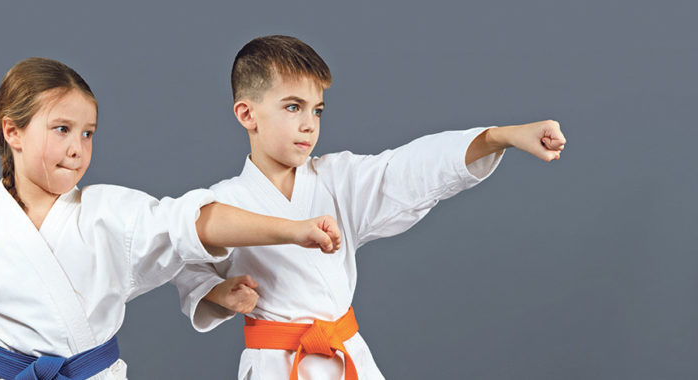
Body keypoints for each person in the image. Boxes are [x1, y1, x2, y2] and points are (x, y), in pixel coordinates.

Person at [171, 35, 566, 380]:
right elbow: (186, 264)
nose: (310, 123)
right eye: (293, 107)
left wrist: (501, 137)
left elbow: (409, 169)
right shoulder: (221, 204)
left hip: (347, 356)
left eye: (317, 109)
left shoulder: (338, 179)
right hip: (275, 364)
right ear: (247, 114)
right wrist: (219, 293)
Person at [0, 57, 342, 380]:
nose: (77, 148)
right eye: (61, 129)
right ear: (12, 132)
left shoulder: (108, 213)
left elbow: (194, 223)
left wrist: (292, 230)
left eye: (87, 133)